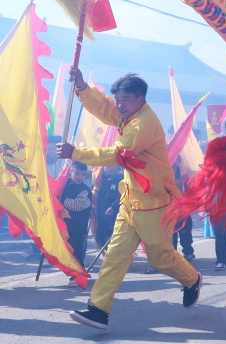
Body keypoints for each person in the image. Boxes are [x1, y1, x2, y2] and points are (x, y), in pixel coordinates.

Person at [57, 70, 201, 331]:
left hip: (155, 202)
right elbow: (104, 107)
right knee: (114, 257)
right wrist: (81, 87)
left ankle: (191, 279)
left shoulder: (143, 124)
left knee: (159, 259)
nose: (119, 104)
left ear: (140, 99)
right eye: (118, 99)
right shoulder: (127, 115)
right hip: (130, 200)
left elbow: (118, 153)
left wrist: (75, 152)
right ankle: (99, 310)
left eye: (125, 100)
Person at [61, 161, 92, 285]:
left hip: (79, 228)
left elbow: (77, 206)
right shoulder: (65, 185)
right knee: (68, 252)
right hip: (66, 227)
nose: (80, 177)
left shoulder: (85, 190)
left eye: (83, 175)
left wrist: (62, 201)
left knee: (78, 252)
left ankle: (78, 275)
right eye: (77, 173)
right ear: (70, 173)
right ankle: (73, 274)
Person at [93, 165, 122, 252]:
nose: (111, 167)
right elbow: (93, 191)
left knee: (111, 235)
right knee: (100, 234)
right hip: (100, 212)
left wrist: (113, 206)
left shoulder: (121, 177)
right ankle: (105, 251)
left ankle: (111, 255)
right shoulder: (98, 177)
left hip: (113, 212)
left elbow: (122, 195)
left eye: (113, 165)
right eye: (107, 165)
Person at [172, 163, 195, 261]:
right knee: (171, 233)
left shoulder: (183, 171)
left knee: (185, 231)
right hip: (169, 207)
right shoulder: (162, 170)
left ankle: (188, 251)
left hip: (182, 206)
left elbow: (188, 187)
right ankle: (172, 254)